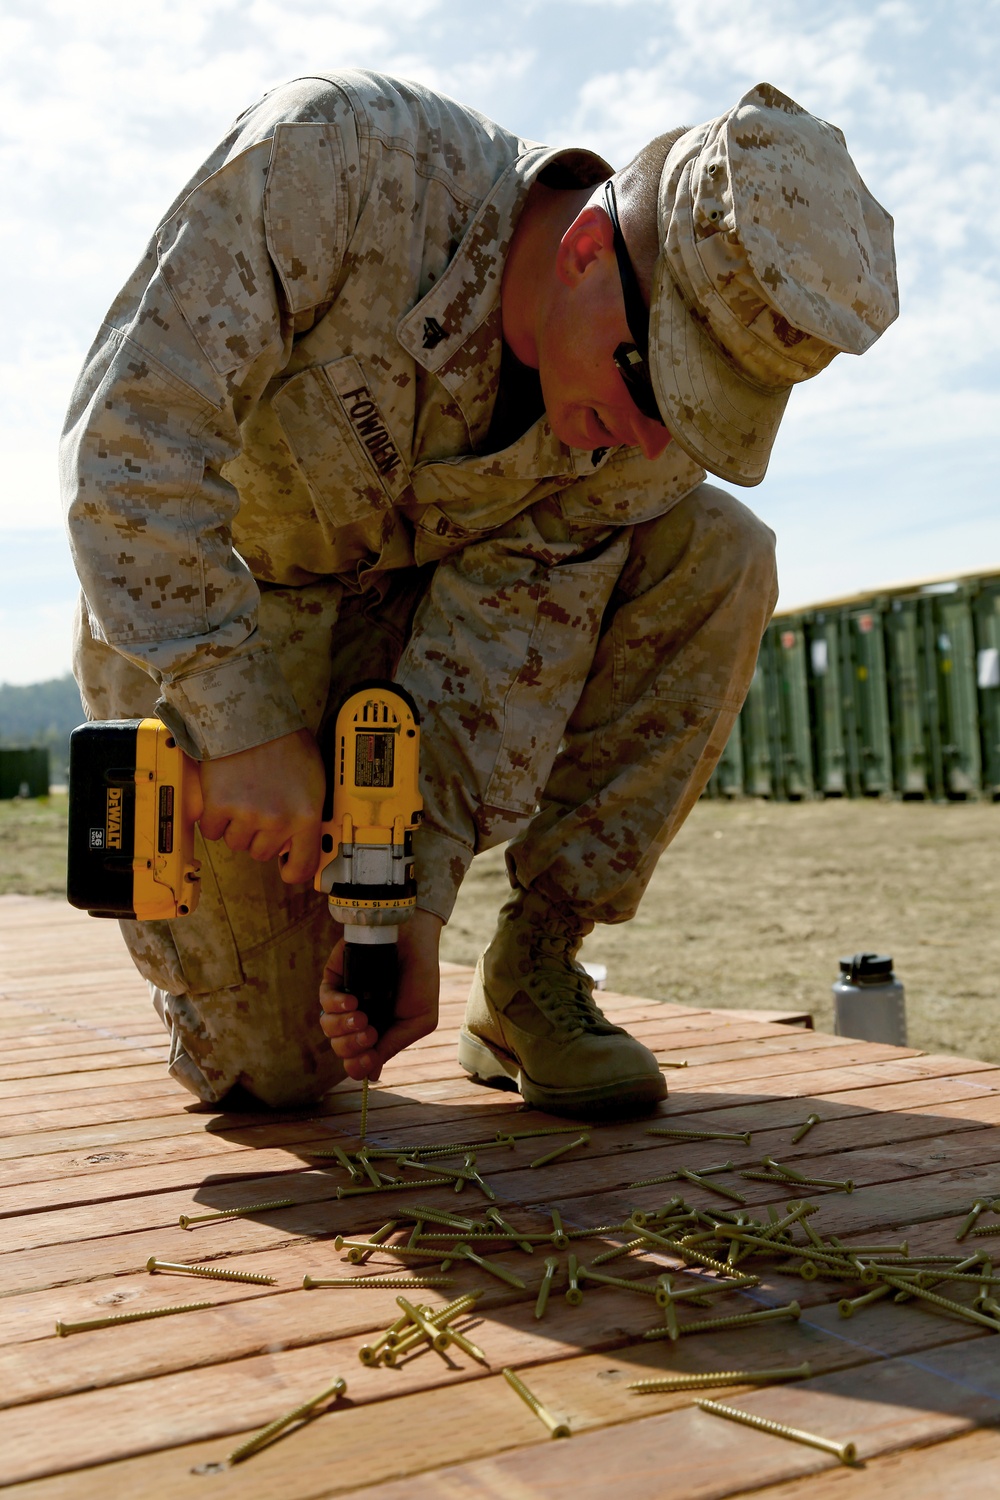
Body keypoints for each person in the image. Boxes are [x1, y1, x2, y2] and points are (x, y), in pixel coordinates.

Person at [62, 72, 897, 1115]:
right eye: (655, 385)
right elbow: (135, 442)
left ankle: (534, 970)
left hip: (406, 644)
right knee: (272, 1071)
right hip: (218, 604)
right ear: (587, 252)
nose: (652, 437)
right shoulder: (345, 161)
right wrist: (238, 722)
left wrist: (413, 896)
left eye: (693, 416)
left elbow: (504, 643)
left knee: (715, 550)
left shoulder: (644, 442)